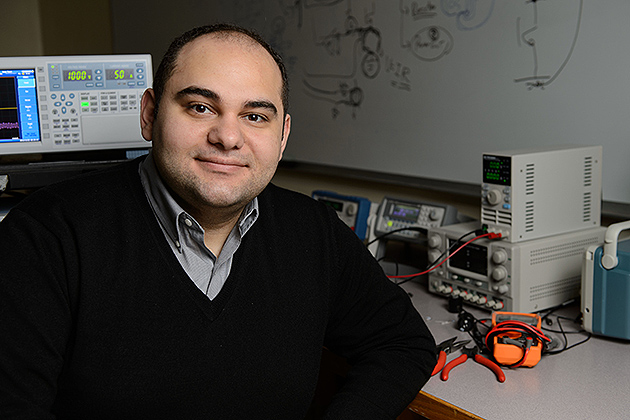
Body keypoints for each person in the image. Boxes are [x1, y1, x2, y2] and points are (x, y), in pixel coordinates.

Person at [0, 23, 436, 419]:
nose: (227, 137)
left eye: (255, 117)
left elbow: (402, 342)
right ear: (150, 114)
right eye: (200, 107)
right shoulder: (44, 236)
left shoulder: (313, 232)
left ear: (282, 135)